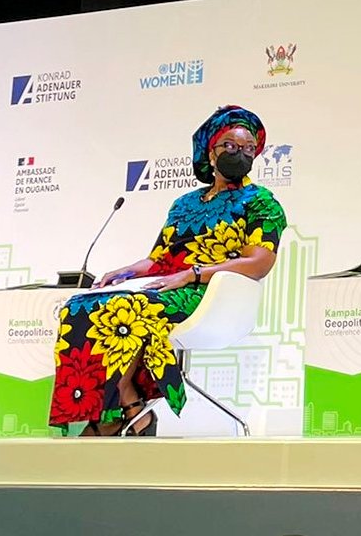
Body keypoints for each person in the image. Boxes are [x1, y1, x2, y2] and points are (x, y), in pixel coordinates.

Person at [49, 105, 287, 436]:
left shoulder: (261, 202)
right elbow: (159, 258)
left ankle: (122, 409)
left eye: (248, 149)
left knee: (126, 309)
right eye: (230, 146)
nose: (240, 155)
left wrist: (194, 274)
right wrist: (127, 271)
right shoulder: (184, 204)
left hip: (209, 293)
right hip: (168, 284)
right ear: (211, 153)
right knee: (79, 306)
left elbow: (260, 262)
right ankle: (120, 408)